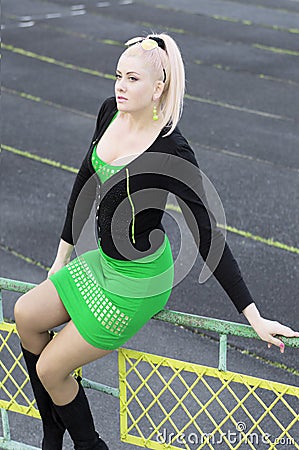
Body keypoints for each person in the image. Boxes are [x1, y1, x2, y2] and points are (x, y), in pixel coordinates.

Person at [14, 33, 299, 450]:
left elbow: (207, 233)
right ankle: (52, 429)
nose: (120, 86)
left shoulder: (172, 151)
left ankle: (89, 443)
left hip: (138, 281)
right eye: (118, 76)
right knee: (25, 315)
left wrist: (252, 316)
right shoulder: (111, 112)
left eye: (132, 79)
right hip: (104, 265)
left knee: (51, 368)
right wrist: (62, 257)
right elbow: (85, 179)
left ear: (158, 87)